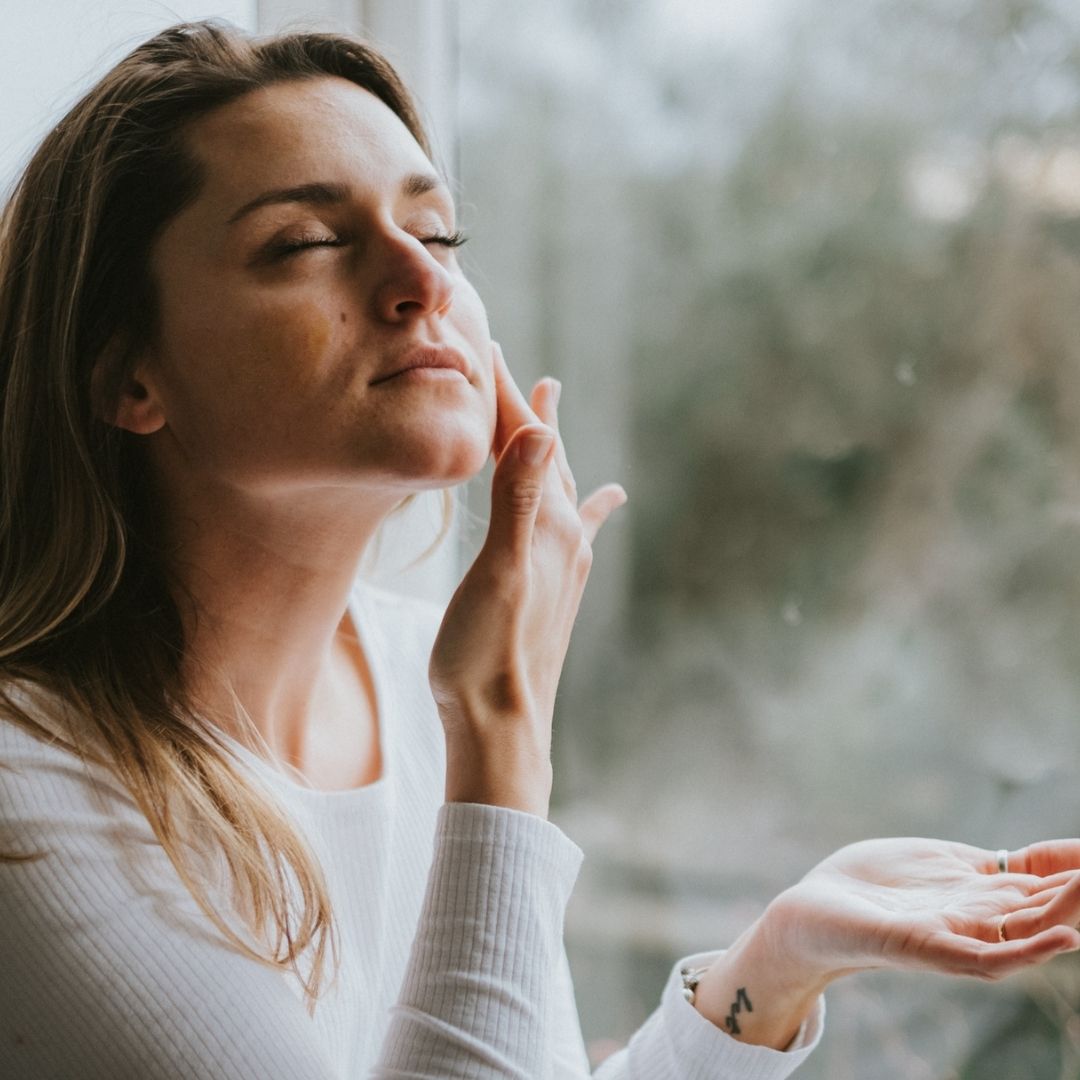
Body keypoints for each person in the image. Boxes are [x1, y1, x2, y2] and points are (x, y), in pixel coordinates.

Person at [0, 19, 1079, 1079]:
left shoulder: (426, 684)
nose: (420, 279)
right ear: (123, 376)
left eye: (438, 233)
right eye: (307, 242)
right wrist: (501, 745)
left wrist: (774, 965)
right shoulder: (27, 784)